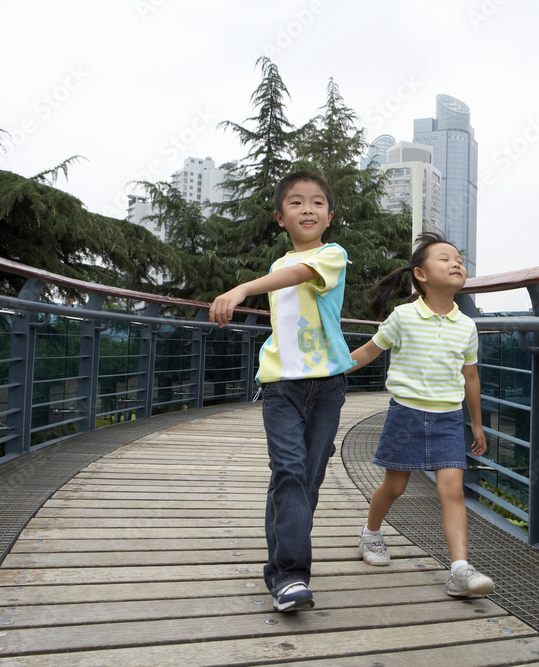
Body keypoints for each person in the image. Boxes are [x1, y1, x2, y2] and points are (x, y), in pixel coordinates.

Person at [208, 170, 353, 613]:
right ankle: (291, 576)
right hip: (279, 386)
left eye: (315, 203)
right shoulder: (277, 266)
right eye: (295, 202)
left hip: (327, 385)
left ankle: (278, 569)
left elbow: (299, 275)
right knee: (289, 472)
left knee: (304, 480)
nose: (307, 209)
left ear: (329, 215)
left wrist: (242, 288)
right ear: (279, 217)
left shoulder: (331, 255)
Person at [347, 231, 494, 597]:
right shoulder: (404, 316)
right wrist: (328, 368)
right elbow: (368, 351)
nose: (455, 262)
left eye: (458, 258)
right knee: (395, 486)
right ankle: (371, 533)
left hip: (446, 419)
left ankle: (459, 569)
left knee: (453, 492)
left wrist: (476, 423)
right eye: (444, 258)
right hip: (406, 416)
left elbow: (470, 377)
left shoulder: (467, 326)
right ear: (421, 274)